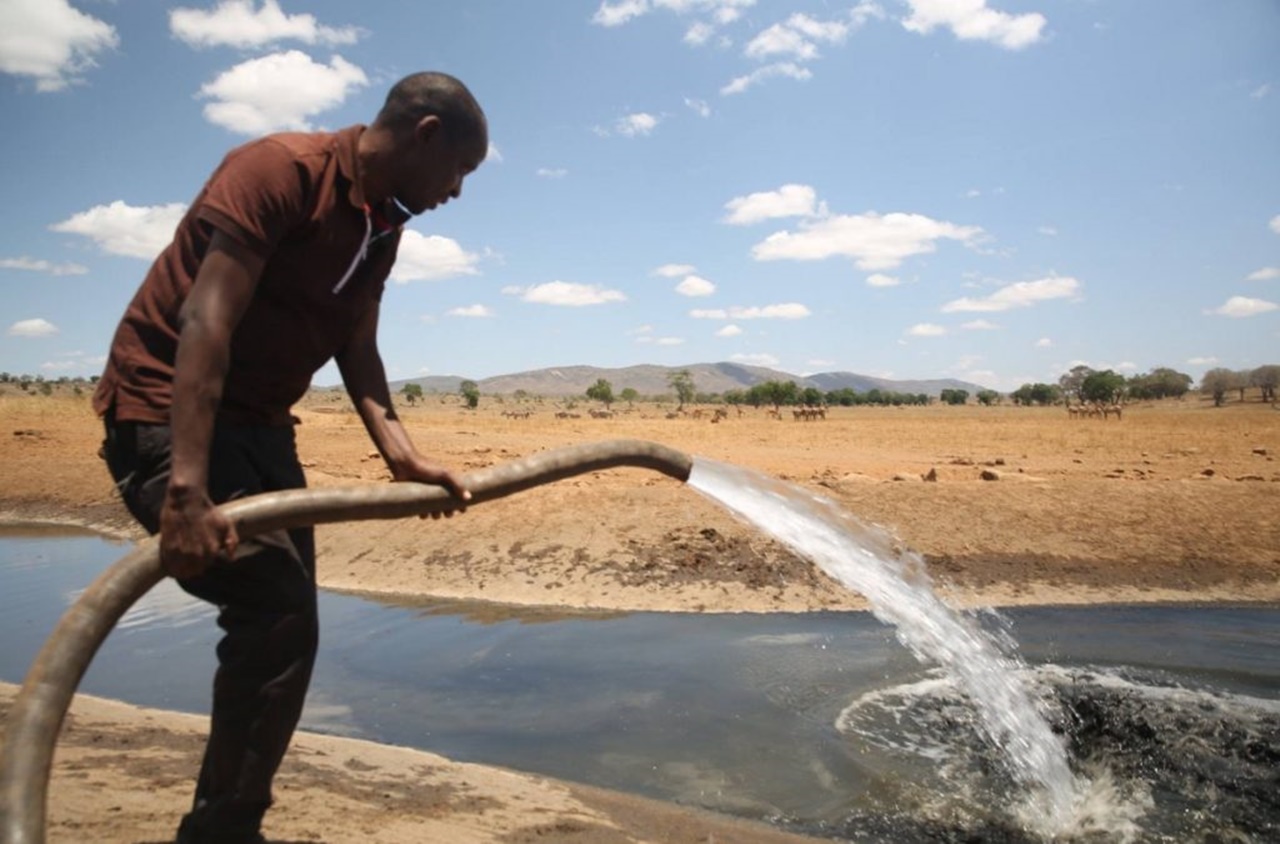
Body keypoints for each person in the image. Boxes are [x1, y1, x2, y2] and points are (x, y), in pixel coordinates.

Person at [93, 71, 487, 843]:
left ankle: (226, 823)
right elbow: (205, 319)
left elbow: (358, 347)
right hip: (165, 414)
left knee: (289, 622)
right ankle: (224, 830)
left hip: (263, 429)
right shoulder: (278, 170)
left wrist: (403, 456)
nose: (457, 193)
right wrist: (184, 491)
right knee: (273, 609)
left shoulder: (382, 224)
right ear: (427, 134)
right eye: (460, 172)